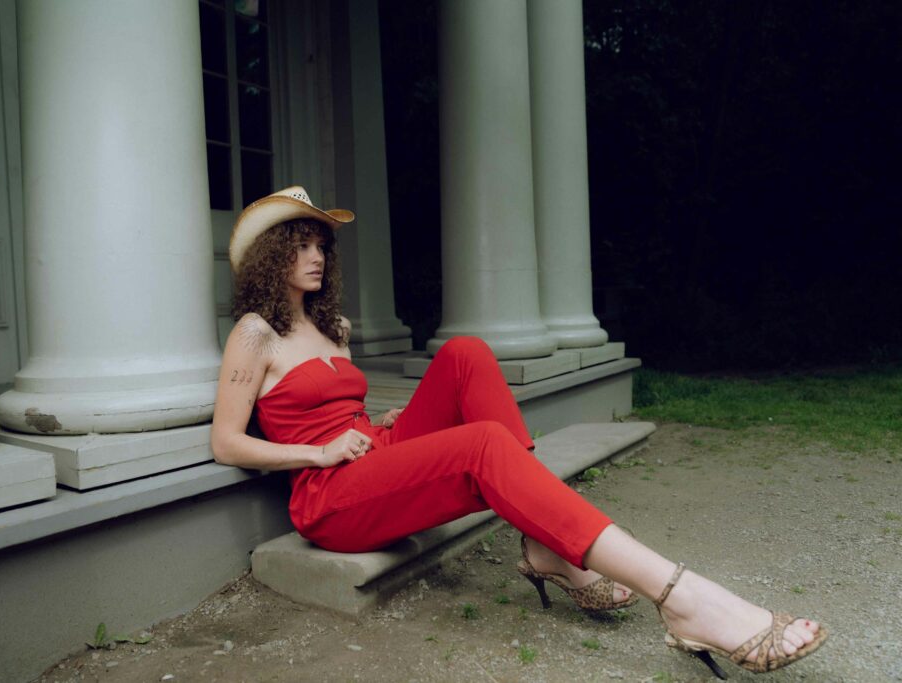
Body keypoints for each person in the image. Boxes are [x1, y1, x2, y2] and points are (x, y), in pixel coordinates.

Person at [210, 186, 827, 678]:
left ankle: (544, 544)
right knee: (482, 444)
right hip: (328, 495)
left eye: (322, 243)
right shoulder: (254, 334)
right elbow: (227, 441)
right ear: (271, 255)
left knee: (468, 353)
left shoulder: (334, 327)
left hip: (370, 453)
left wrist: (379, 426)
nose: (318, 255)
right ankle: (681, 596)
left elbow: (342, 410)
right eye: (302, 243)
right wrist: (317, 451)